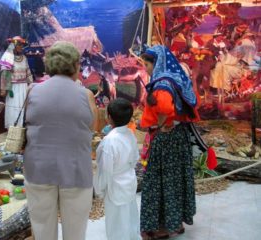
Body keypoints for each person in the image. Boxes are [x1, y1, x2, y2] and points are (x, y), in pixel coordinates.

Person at [24, 42, 98, 240]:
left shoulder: (32, 91)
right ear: (75, 65)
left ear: (49, 65)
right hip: (75, 170)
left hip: (38, 168)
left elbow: (28, 123)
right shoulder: (87, 95)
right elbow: (93, 129)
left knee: (41, 228)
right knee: (75, 230)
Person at [140, 45, 199, 239]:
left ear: (157, 63)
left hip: (165, 139)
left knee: (158, 182)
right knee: (175, 179)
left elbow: (165, 106)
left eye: (147, 64)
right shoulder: (174, 78)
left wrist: (163, 122)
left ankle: (161, 228)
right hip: (177, 138)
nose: (146, 68)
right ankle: (176, 223)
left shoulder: (162, 84)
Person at [94, 98, 141, 240]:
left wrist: (99, 189)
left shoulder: (109, 141)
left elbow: (105, 170)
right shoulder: (130, 134)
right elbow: (135, 158)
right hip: (129, 181)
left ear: (109, 118)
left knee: (116, 223)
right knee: (130, 218)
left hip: (114, 185)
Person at [0, 36, 33, 129]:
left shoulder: (24, 58)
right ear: (13, 45)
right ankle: (14, 130)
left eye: (22, 45)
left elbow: (28, 71)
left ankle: (23, 129)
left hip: (24, 87)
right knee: (14, 109)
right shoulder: (8, 58)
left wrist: (31, 85)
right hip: (13, 88)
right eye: (19, 45)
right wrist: (4, 88)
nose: (21, 47)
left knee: (24, 108)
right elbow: (5, 74)